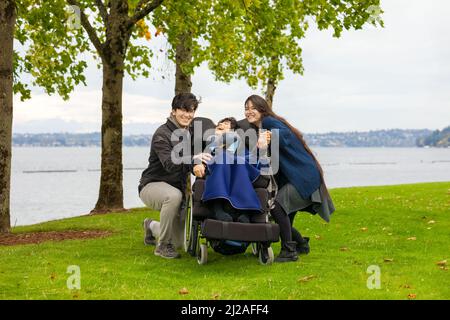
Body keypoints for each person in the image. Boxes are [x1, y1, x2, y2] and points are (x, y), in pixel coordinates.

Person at [244, 94, 335, 262]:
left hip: (302, 175)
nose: (249, 112)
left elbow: (284, 134)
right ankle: (301, 244)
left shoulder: (269, 122)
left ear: (262, 109)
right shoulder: (261, 127)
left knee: (276, 207)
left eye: (253, 108)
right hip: (296, 175)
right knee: (282, 219)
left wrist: (272, 136)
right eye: (246, 108)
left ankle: (289, 252)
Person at [139, 93, 210, 259]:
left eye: (191, 111)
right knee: (173, 196)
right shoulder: (161, 134)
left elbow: (197, 155)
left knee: (178, 241)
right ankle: (162, 246)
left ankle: (150, 225)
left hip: (177, 189)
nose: (187, 115)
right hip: (151, 185)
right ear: (173, 111)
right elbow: (170, 164)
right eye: (183, 110)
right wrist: (193, 159)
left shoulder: (190, 132)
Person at [196, 117, 262, 223]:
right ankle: (217, 208)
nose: (222, 125)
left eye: (226, 124)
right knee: (223, 157)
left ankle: (244, 212)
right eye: (220, 125)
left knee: (239, 162)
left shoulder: (239, 144)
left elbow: (251, 159)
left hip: (239, 164)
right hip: (216, 166)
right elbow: (204, 158)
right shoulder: (210, 144)